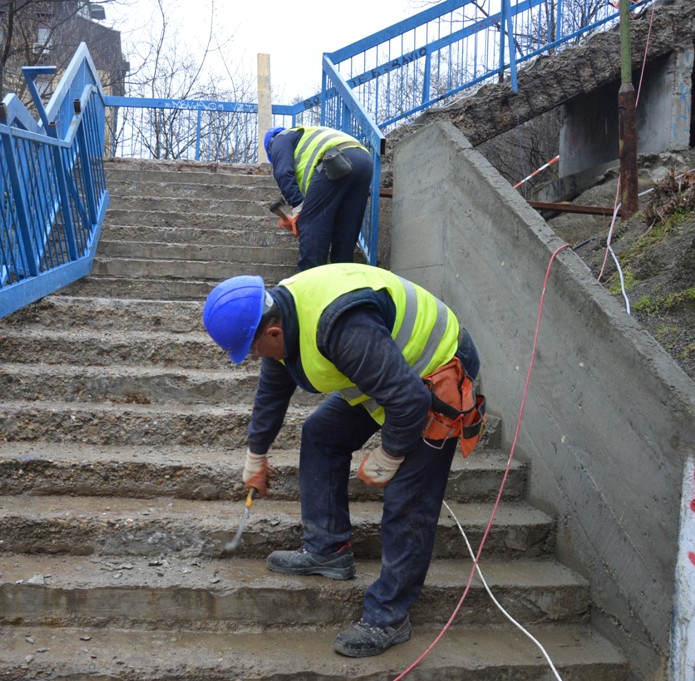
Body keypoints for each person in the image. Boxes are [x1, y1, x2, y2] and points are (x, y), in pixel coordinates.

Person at [202, 263, 484, 658]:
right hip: (388, 373)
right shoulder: (280, 313)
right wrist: (256, 453)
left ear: (273, 332)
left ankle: (389, 615)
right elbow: (272, 390)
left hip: (433, 372)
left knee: (408, 496)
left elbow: (409, 401)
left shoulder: (341, 327)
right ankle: (328, 548)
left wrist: (389, 454)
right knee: (321, 434)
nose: (251, 358)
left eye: (251, 350)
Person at [263, 126, 374, 271]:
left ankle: (309, 280)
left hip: (335, 158)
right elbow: (324, 209)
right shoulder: (308, 139)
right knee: (345, 231)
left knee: (311, 225)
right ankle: (343, 285)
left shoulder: (279, 138)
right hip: (364, 161)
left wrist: (298, 209)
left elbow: (283, 172)